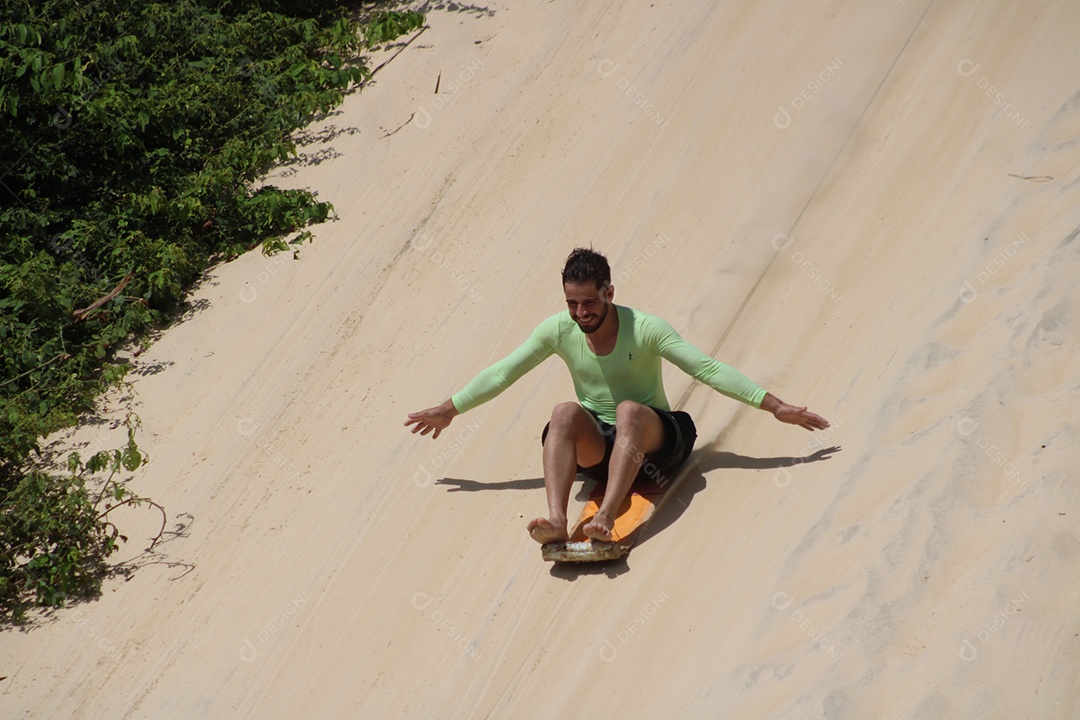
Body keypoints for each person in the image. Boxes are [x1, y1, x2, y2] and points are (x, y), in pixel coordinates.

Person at [405, 248, 829, 544]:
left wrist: (776, 406)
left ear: (610, 292)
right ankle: (557, 519)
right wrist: (449, 409)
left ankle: (606, 516)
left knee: (628, 410)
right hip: (602, 450)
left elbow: (708, 369)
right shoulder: (559, 329)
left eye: (589, 302)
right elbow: (503, 372)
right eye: (572, 304)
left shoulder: (645, 328)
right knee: (563, 412)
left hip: (658, 442)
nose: (581, 313)